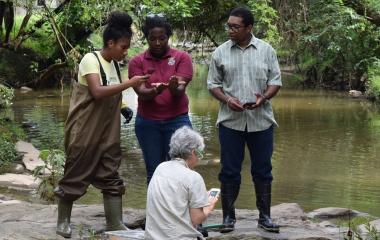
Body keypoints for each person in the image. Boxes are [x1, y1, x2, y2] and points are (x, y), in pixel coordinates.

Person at [54, 12, 148, 238]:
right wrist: (130, 83)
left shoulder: (114, 65)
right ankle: (62, 223)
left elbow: (111, 91)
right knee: (75, 174)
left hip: (107, 132)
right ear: (110, 43)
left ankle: (115, 223)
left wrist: (123, 106)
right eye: (123, 47)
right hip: (84, 130)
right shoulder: (90, 59)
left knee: (111, 175)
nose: (126, 52)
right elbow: (96, 92)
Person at [207, 6, 282, 233]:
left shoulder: (266, 50)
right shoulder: (220, 52)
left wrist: (264, 97)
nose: (230, 30)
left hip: (261, 121)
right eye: (228, 26)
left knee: (263, 170)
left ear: (249, 28)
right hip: (231, 121)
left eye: (235, 26)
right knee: (229, 170)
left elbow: (275, 81)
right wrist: (228, 101)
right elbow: (213, 85)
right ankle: (229, 218)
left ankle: (265, 218)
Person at [128, 14, 193, 184]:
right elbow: (141, 92)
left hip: (177, 120)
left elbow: (180, 89)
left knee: (181, 169)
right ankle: (156, 210)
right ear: (146, 38)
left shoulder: (181, 58)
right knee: (154, 169)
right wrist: (156, 90)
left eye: (162, 38)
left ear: (168, 37)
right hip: (148, 123)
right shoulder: (137, 61)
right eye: (152, 38)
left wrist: (173, 88)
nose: (157, 43)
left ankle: (178, 209)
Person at [145, 126, 219, 240]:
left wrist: (200, 197)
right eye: (199, 154)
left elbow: (175, 199)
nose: (199, 159)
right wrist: (210, 205)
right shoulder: (193, 177)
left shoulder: (160, 168)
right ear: (193, 152)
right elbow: (196, 219)